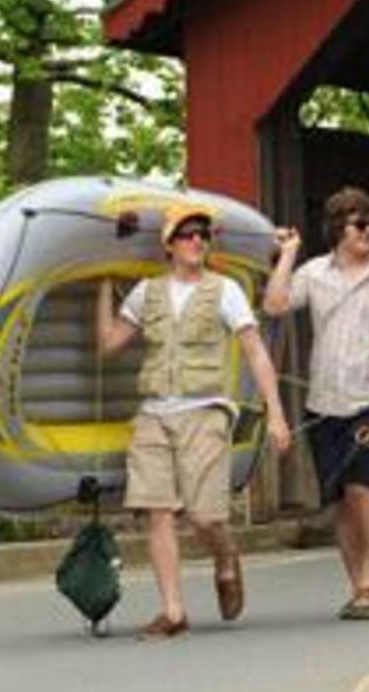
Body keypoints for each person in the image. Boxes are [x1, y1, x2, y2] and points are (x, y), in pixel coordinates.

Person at [97, 198, 290, 638]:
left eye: (204, 234)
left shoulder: (225, 290)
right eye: (189, 234)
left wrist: (275, 415)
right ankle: (173, 611)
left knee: (205, 516)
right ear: (169, 244)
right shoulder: (147, 292)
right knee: (158, 511)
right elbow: (108, 343)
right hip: (153, 414)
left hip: (205, 412)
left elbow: (256, 353)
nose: (198, 241)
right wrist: (104, 285)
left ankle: (225, 556)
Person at [263, 186, 369, 619]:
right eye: (361, 224)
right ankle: (359, 585)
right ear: (338, 228)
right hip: (324, 401)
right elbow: (276, 304)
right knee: (339, 497)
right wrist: (287, 254)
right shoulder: (315, 273)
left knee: (363, 484)